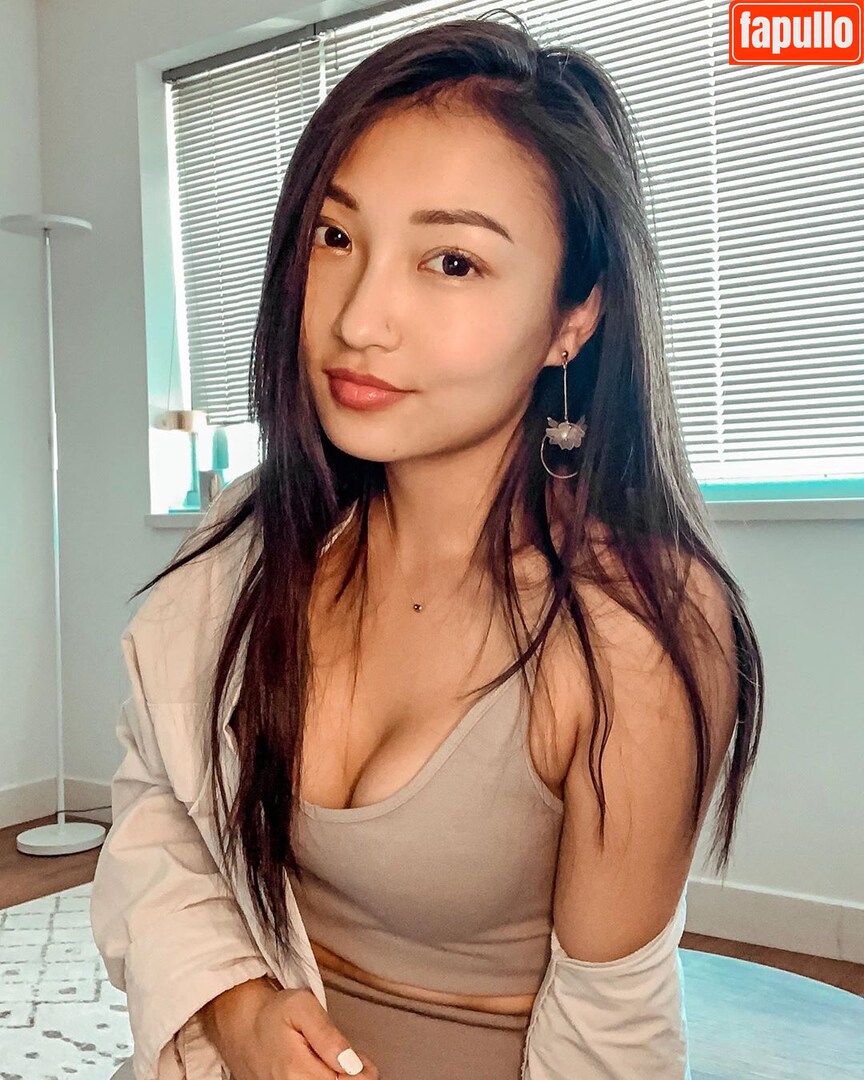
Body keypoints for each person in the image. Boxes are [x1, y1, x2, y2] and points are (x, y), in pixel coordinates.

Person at [91, 13, 765, 1080]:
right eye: (336, 237)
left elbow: (611, 1042)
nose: (360, 319)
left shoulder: (634, 630)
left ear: (572, 319)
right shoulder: (252, 541)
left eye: (452, 261)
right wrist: (239, 1008)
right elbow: (162, 810)